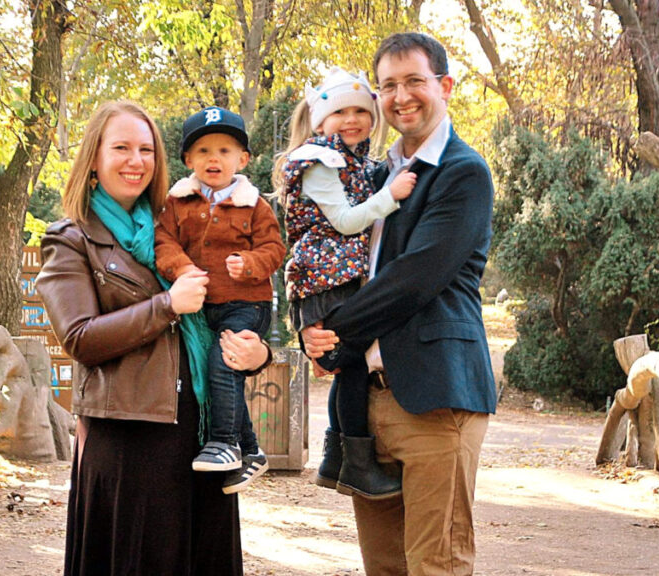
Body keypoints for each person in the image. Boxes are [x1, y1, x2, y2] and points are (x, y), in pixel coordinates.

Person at [36, 100, 273, 576]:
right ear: (94, 158)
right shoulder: (71, 239)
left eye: (146, 149)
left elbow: (229, 307)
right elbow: (80, 338)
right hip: (128, 439)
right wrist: (166, 305)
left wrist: (257, 353)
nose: (136, 160)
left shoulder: (182, 225)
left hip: (202, 436)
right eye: (121, 148)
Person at [301, 33, 498, 576]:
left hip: (437, 399)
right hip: (365, 403)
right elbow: (324, 256)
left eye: (414, 81)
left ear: (445, 86)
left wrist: (334, 333)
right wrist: (309, 326)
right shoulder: (370, 176)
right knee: (383, 568)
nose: (401, 96)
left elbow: (413, 280)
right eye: (388, 85)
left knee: (437, 565)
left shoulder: (463, 172)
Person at [275, 67, 416, 499]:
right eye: (340, 112)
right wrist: (391, 196)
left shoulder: (353, 161)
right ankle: (357, 465)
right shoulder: (319, 161)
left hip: (333, 276)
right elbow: (345, 220)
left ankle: (335, 458)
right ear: (320, 121)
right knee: (351, 367)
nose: (352, 119)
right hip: (324, 278)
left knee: (346, 367)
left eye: (360, 111)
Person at [155, 106, 286, 493]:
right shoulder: (177, 203)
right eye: (204, 151)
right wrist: (182, 269)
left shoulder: (254, 205)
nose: (214, 158)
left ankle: (225, 442)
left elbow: (274, 249)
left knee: (224, 361)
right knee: (219, 370)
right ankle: (251, 450)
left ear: (242, 160)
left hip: (246, 305)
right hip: (202, 307)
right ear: (188, 160)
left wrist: (249, 263)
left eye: (225, 151)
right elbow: (164, 242)